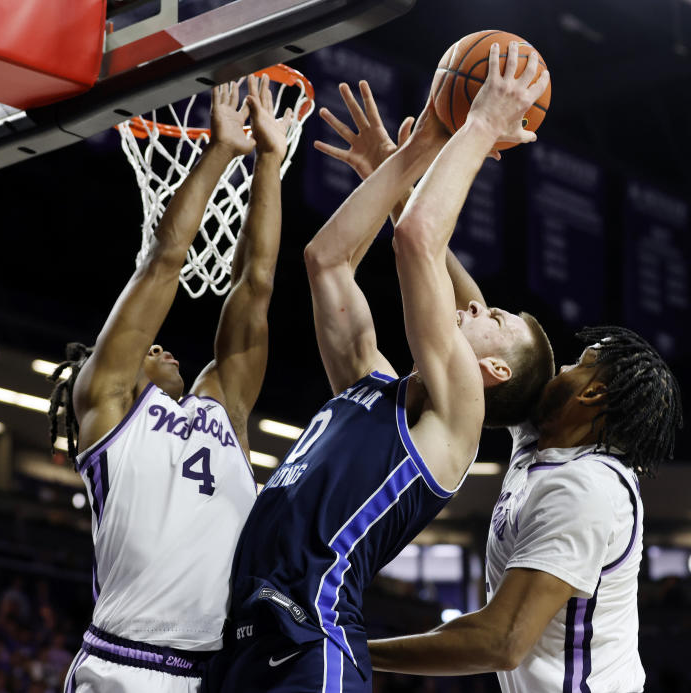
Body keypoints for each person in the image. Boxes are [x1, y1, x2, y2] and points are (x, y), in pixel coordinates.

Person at [318, 72, 683, 693]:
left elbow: (501, 642)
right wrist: (393, 177)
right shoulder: (541, 436)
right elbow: (466, 311)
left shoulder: (585, 489)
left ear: (592, 395)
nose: (560, 367)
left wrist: (345, 647)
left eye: (577, 365)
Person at [211, 42, 553, 693]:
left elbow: (419, 238)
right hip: (246, 641)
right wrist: (416, 145)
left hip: (315, 645)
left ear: (493, 373)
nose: (476, 302)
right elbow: (326, 260)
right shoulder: (368, 382)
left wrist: (479, 123)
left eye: (496, 317)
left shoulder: (458, 418)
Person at [45, 76, 293, 693]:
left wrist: (268, 160)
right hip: (125, 668)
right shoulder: (105, 414)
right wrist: (216, 153)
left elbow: (255, 285)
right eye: (138, 350)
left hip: (214, 673)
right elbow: (163, 259)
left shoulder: (220, 406)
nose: (157, 345)